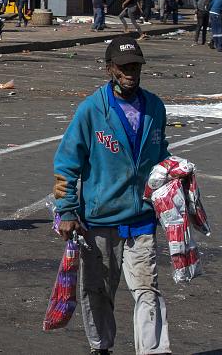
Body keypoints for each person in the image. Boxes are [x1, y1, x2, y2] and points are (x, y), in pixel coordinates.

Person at [52, 36, 171, 355]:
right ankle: (101, 347)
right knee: (97, 291)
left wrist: (173, 181)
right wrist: (66, 210)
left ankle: (153, 351)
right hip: (99, 221)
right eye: (123, 66)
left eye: (135, 66)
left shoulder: (155, 108)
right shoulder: (92, 110)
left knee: (148, 290)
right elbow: (66, 164)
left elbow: (161, 158)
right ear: (109, 69)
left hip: (142, 220)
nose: (131, 72)